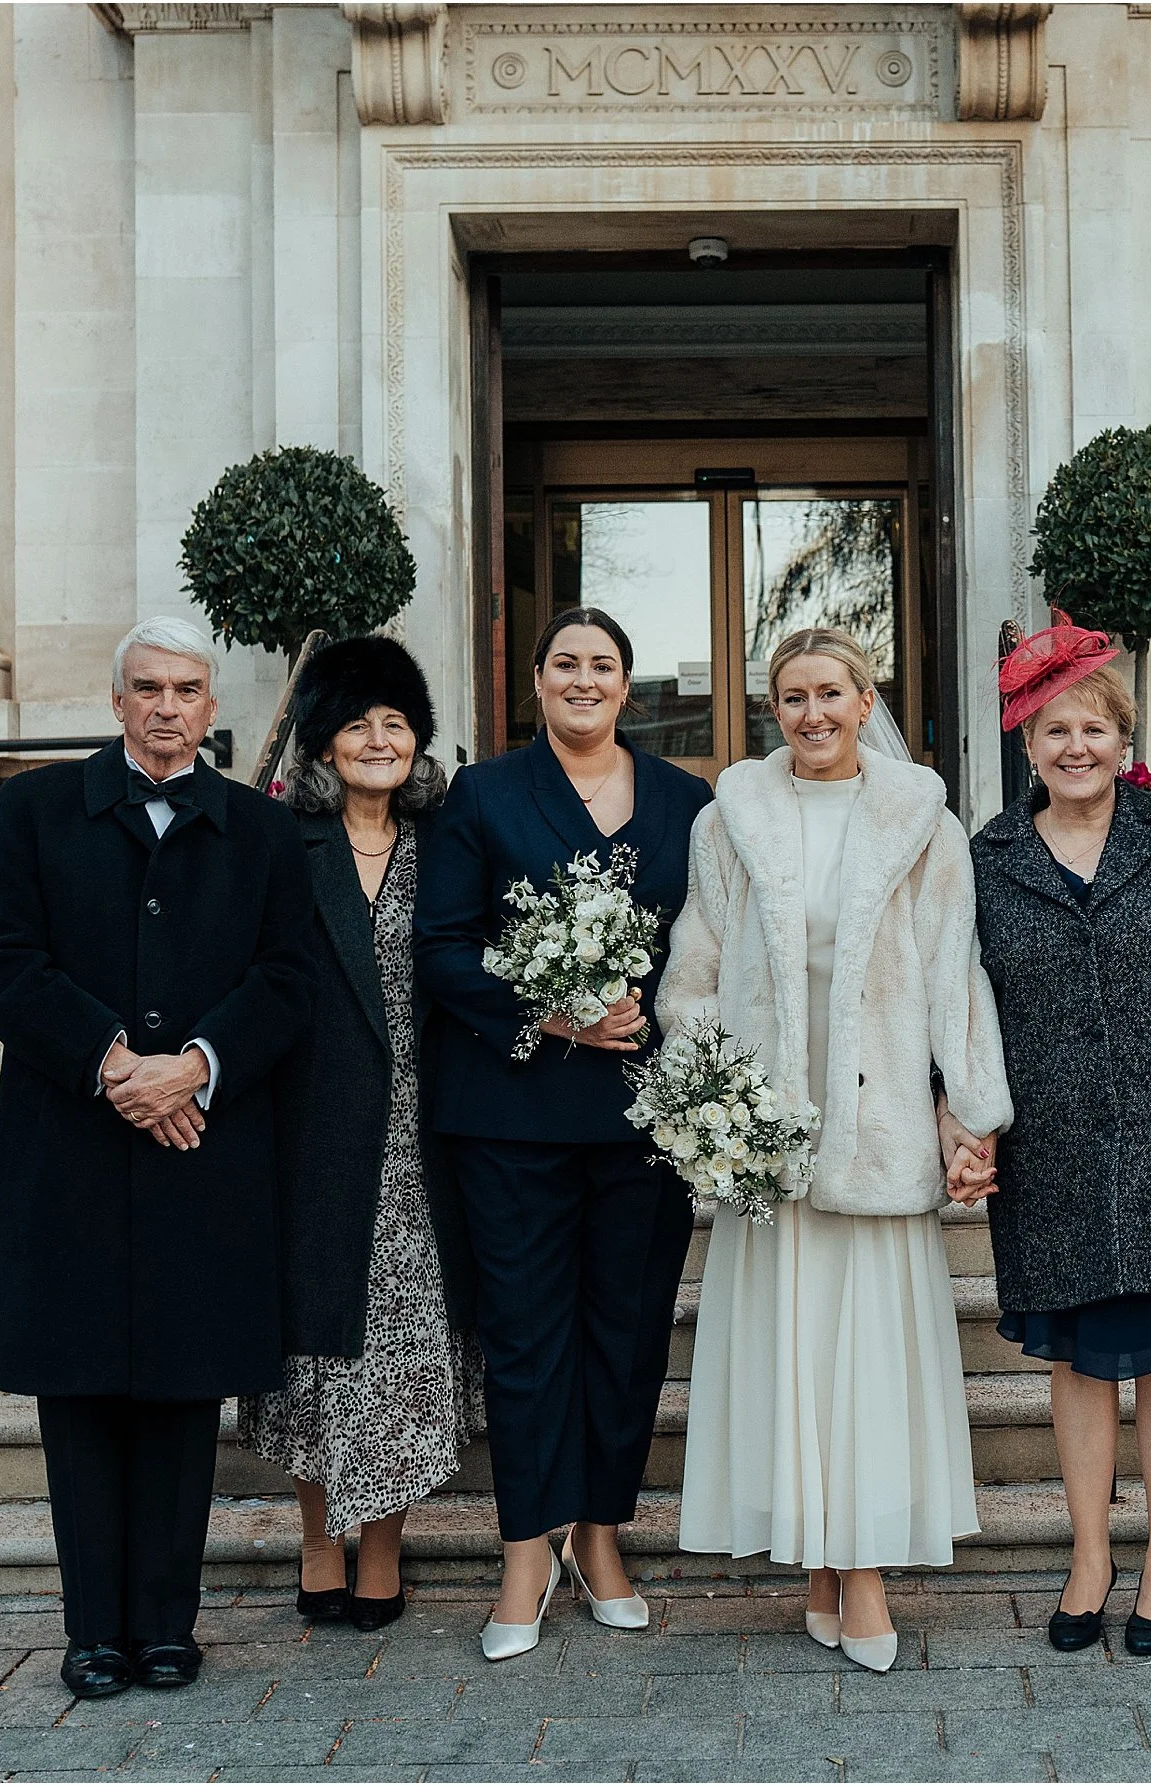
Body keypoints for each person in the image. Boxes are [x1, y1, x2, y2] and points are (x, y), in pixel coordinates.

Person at [0, 615, 317, 1700]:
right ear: (116, 704)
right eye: (147, 688)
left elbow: (289, 979)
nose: (167, 707)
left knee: (176, 1402)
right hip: (69, 1153)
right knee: (78, 1399)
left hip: (202, 1153)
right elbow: (1, 959)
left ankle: (167, 1625)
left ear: (212, 708)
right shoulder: (34, 810)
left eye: (187, 689)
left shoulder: (261, 830)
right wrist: (114, 1063)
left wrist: (193, 1066)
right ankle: (91, 1632)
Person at [661, 626, 1013, 1674]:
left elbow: (955, 972)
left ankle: (857, 1574)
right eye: (791, 698)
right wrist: (710, 1094)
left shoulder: (923, 823)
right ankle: (822, 1568)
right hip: (768, 1138)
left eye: (829, 693)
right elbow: (696, 968)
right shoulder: (730, 821)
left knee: (860, 1360)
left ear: (867, 700)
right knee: (792, 1358)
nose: (810, 714)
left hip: (876, 1128)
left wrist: (970, 1110)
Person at [412, 607, 713, 1663]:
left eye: (603, 666)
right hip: (511, 1116)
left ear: (627, 687)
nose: (584, 680)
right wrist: (543, 1009)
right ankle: (524, 1555)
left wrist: (663, 1022)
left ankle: (600, 1535)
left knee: (625, 1336)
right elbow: (440, 945)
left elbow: (717, 955)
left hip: (642, 1115)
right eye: (565, 664)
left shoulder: (687, 800)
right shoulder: (482, 795)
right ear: (534, 681)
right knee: (529, 1337)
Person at [961, 620, 1151, 1657]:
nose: (1073, 746)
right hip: (1052, 1143)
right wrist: (959, 1112)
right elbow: (953, 1001)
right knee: (1078, 1361)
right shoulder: (983, 860)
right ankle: (1089, 1554)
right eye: (1051, 731)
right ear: (1026, 747)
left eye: (1092, 727)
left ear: (1124, 740)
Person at [237, 635, 483, 1633]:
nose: (378, 739)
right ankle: (316, 1539)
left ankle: (381, 1547)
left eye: (395, 722)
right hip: (313, 1134)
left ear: (416, 740)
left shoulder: (445, 847)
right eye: (356, 724)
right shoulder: (279, 847)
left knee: (404, 1356)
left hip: (425, 1143)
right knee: (320, 1357)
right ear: (322, 744)